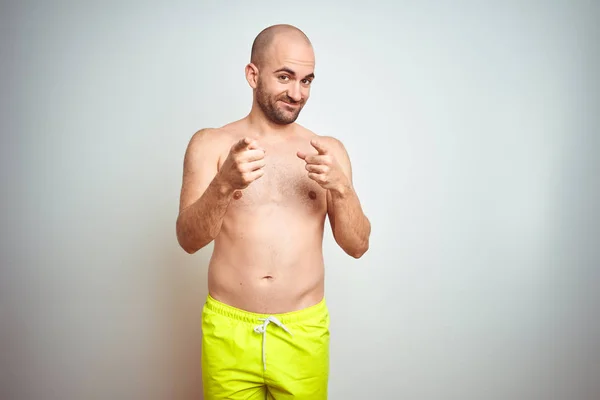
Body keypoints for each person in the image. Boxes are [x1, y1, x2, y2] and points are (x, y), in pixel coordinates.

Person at [176, 24, 371, 400]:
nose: (297, 93)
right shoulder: (211, 144)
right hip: (228, 331)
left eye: (306, 80)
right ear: (253, 75)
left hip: (303, 331)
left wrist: (342, 189)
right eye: (285, 77)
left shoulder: (328, 151)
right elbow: (188, 240)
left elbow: (357, 245)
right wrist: (224, 183)